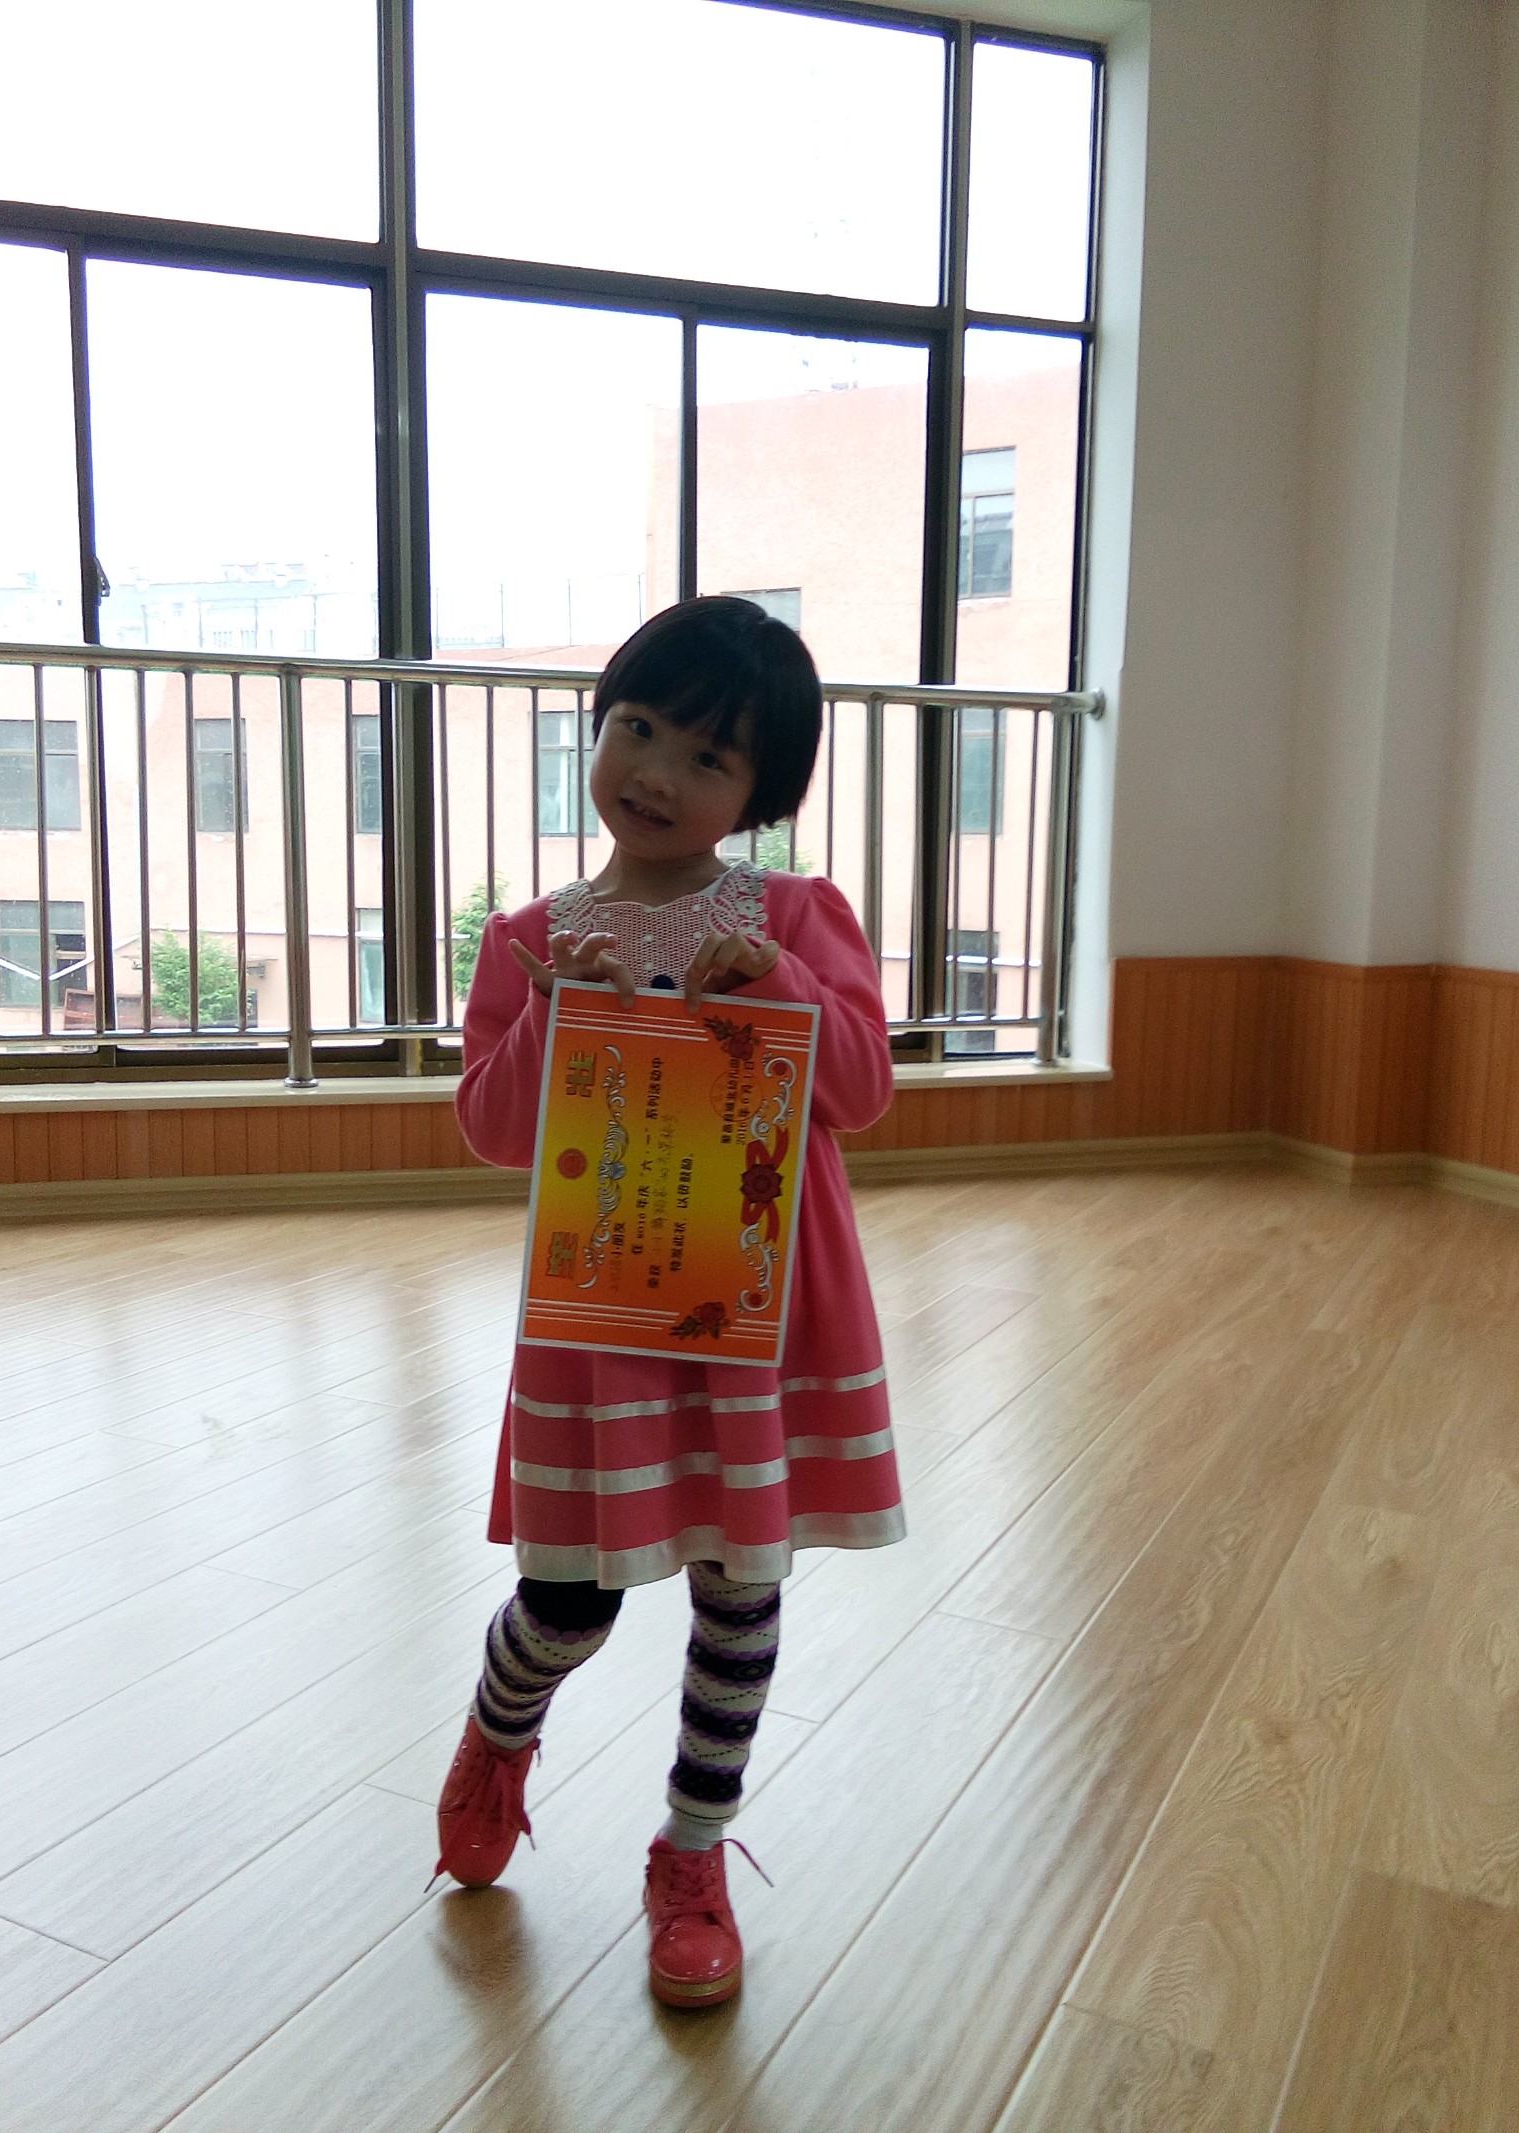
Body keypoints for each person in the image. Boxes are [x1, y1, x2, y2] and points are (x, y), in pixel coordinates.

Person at [437, 595, 904, 2009]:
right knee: (567, 1600)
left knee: (741, 1588)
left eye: (709, 756)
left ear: (760, 793)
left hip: (761, 1313)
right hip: (604, 1316)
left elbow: (862, 1093)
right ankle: (499, 1731)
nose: (657, 772)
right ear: (598, 725)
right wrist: (550, 1012)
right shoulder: (531, 936)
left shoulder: (797, 918)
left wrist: (786, 983)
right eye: (638, 728)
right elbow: (494, 1130)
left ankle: (692, 1854)